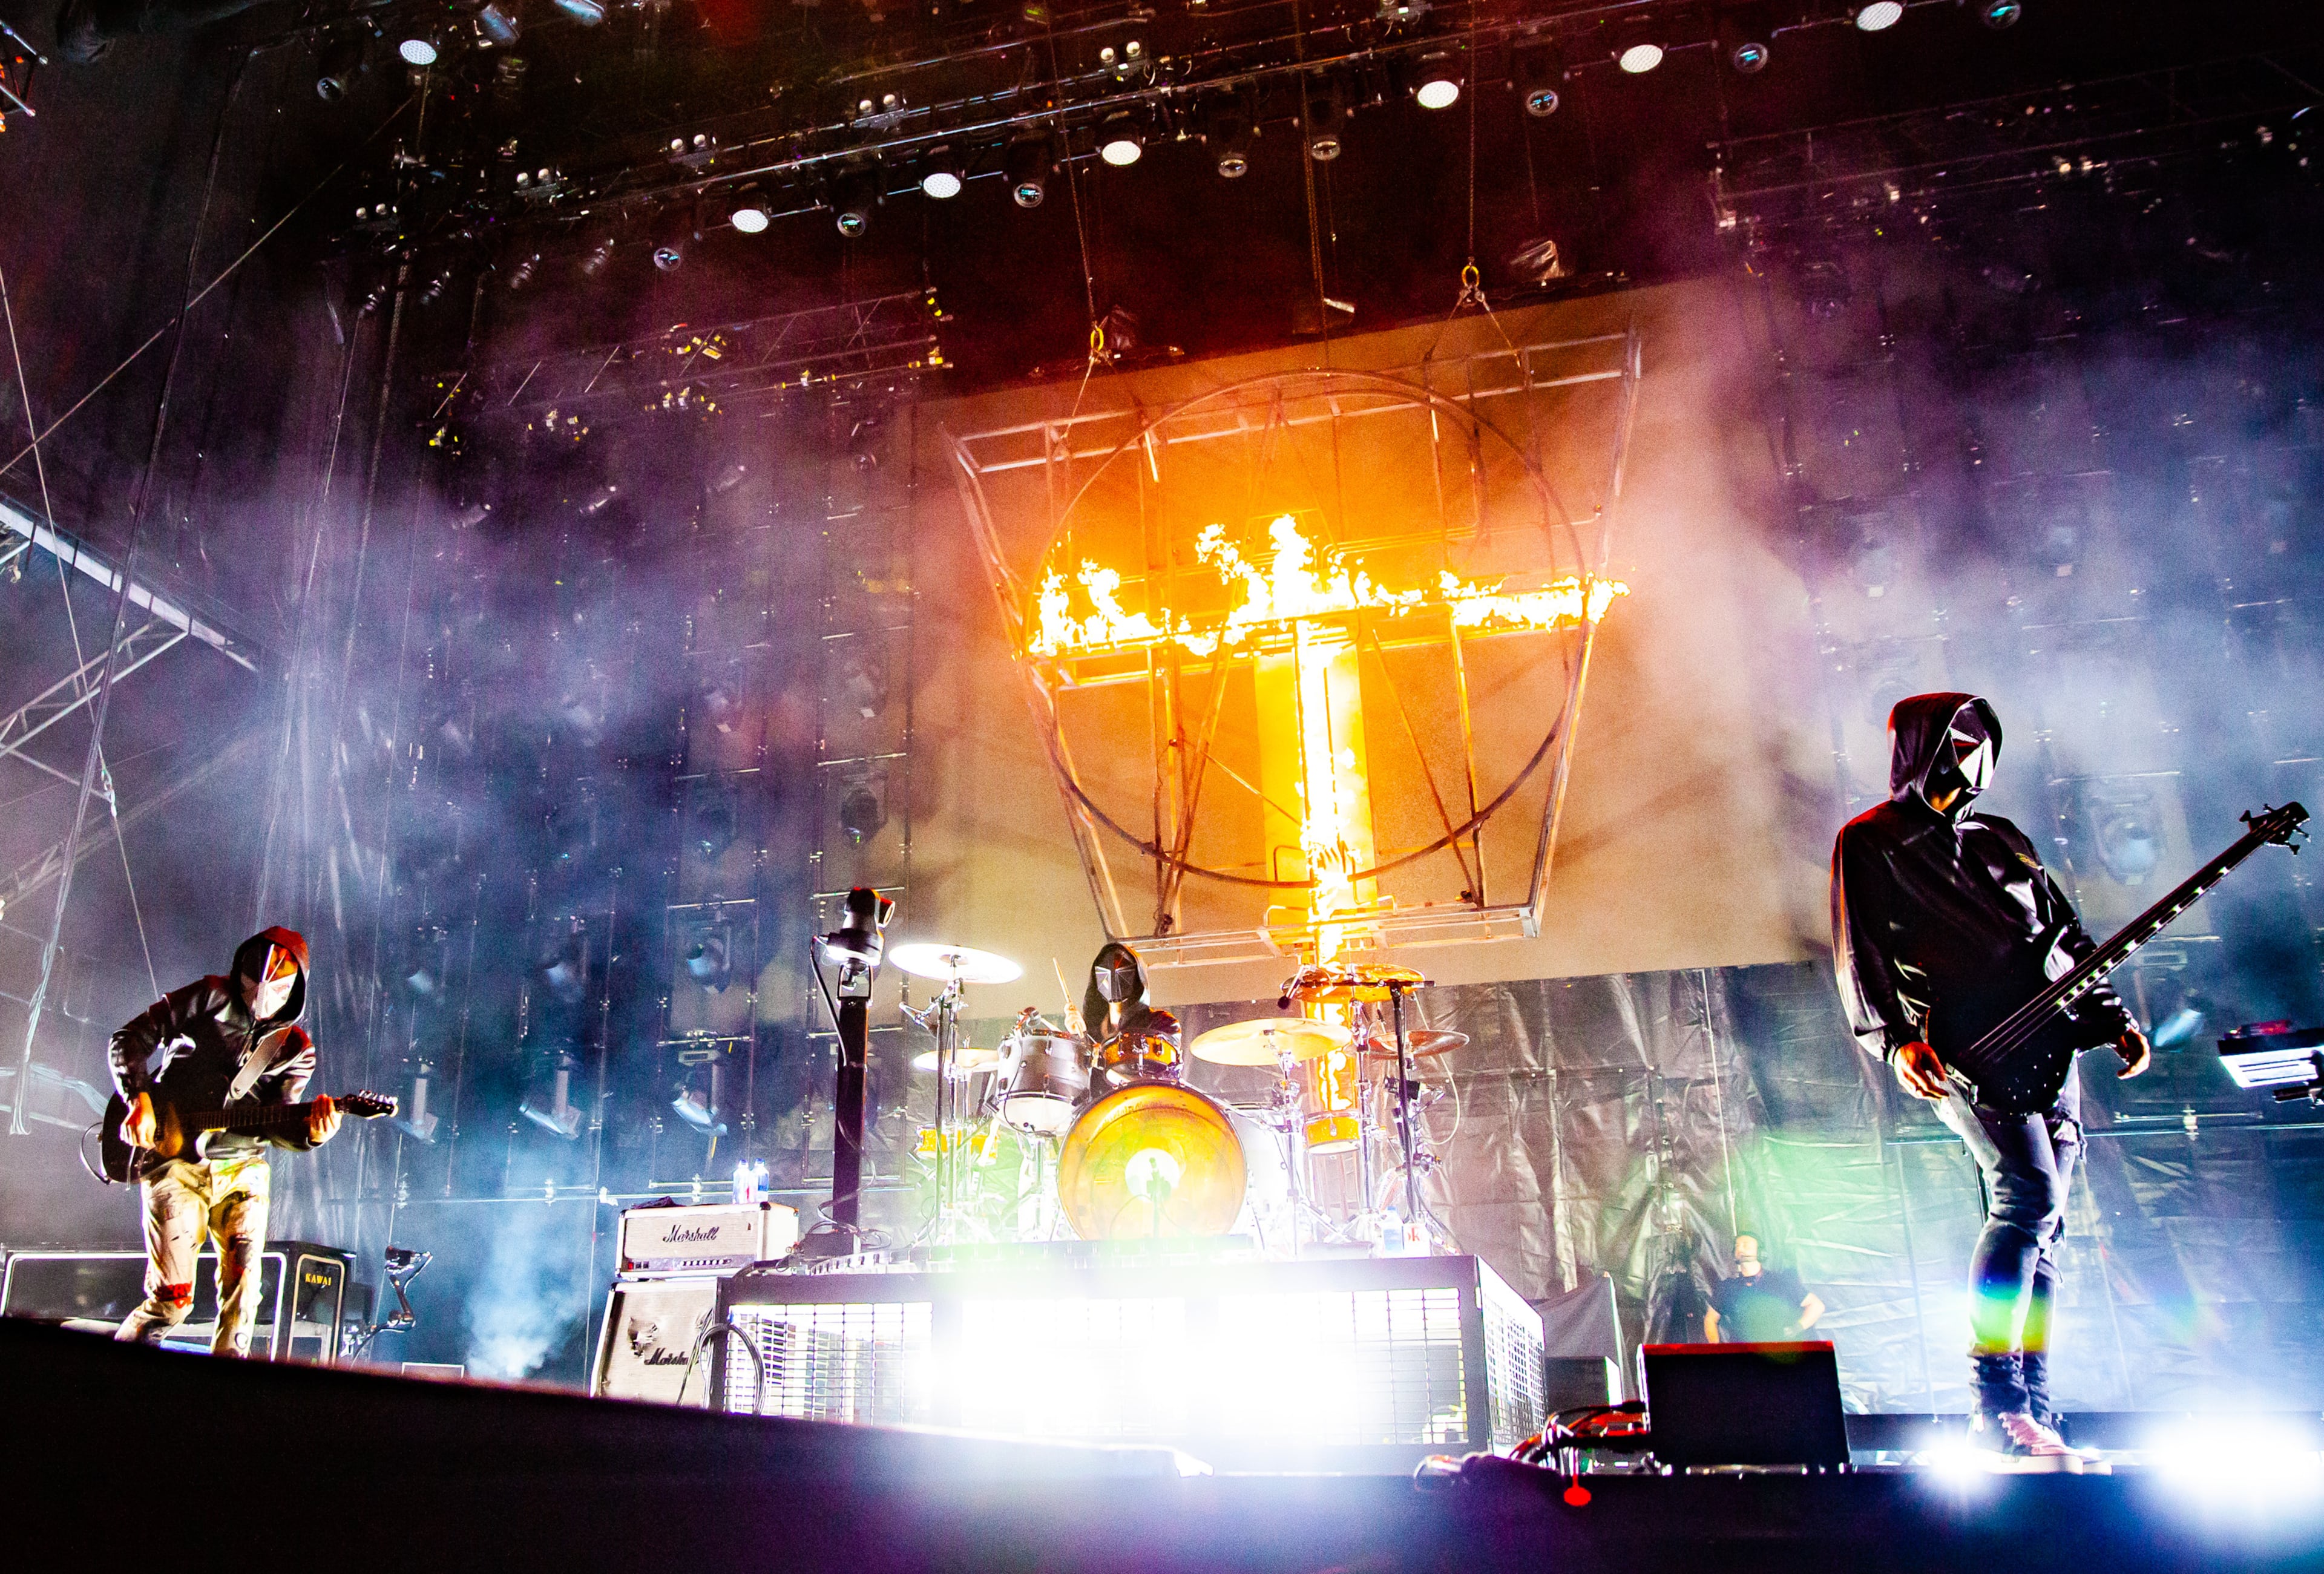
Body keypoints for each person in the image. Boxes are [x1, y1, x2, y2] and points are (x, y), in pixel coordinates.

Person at [1833, 694, 2150, 1458]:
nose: (1974, 756)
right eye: (1958, 740)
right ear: (1922, 748)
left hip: (2052, 1042)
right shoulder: (1872, 842)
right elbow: (1858, 948)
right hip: (1968, 1051)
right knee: (2027, 1197)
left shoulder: (2006, 840)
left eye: (1983, 743)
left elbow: (2064, 936)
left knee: (2047, 1230)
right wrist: (1896, 1039)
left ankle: (2033, 1405)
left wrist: (2109, 1017)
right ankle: (1995, 1402)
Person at [108, 926, 342, 1356]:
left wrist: (311, 1133)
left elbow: (279, 1121)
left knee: (243, 1301)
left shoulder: (295, 1050)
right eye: (255, 978)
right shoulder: (209, 996)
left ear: (296, 989)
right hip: (174, 1163)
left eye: (278, 982)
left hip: (242, 1172)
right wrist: (138, 1096)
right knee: (169, 1304)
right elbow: (129, 1039)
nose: (263, 988)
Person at [1705, 1233, 1824, 1344]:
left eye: (1746, 1244)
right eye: (1737, 1246)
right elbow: (1710, 1319)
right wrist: (1717, 1350)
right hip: (1743, 1357)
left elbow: (1816, 1306)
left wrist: (1796, 1328)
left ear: (1761, 1252)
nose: (1741, 1248)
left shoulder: (1781, 1282)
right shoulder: (1727, 1287)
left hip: (1779, 1353)